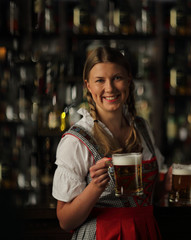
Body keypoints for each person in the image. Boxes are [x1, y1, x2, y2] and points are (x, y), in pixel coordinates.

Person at [52, 46, 163, 239]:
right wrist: (95, 187)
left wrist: (166, 185)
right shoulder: (76, 140)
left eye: (117, 78)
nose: (110, 88)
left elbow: (146, 197)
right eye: (100, 81)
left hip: (144, 232)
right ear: (88, 86)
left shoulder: (142, 128)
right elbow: (65, 221)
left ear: (129, 80)